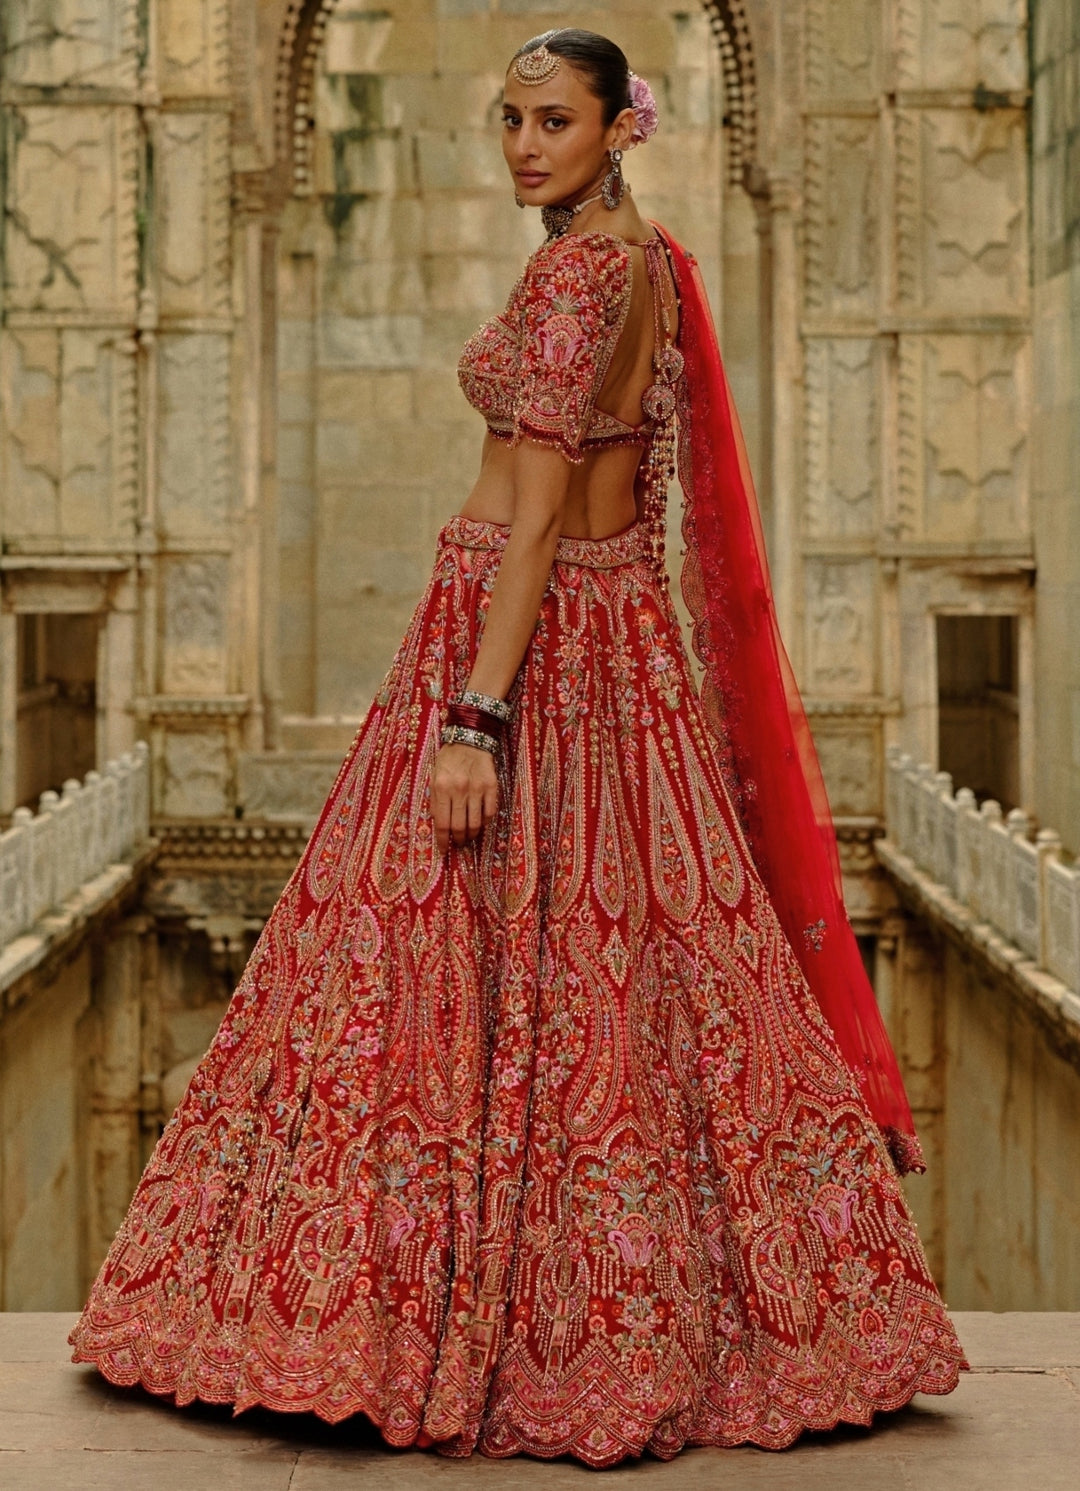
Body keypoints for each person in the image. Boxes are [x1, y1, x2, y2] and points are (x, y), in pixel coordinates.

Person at [68, 27, 967, 1467]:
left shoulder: (581, 271)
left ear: (622, 127)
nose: (526, 145)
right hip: (611, 650)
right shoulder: (650, 260)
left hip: (523, 644)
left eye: (556, 120)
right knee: (625, 983)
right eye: (510, 120)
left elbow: (542, 513)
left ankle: (415, 1325)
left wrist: (476, 718)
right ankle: (678, 1314)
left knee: (444, 961)